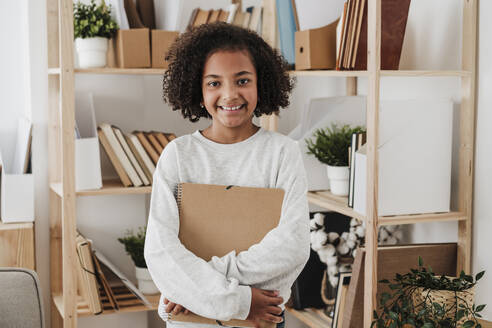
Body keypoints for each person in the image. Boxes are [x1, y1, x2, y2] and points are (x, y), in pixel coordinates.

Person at [144, 22, 310, 328]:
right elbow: (160, 250)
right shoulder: (178, 155)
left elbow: (293, 244)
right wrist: (241, 302)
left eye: (242, 80)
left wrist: (197, 284)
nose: (230, 94)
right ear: (197, 88)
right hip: (194, 321)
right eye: (214, 83)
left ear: (262, 82)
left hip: (259, 318)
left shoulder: (283, 152)